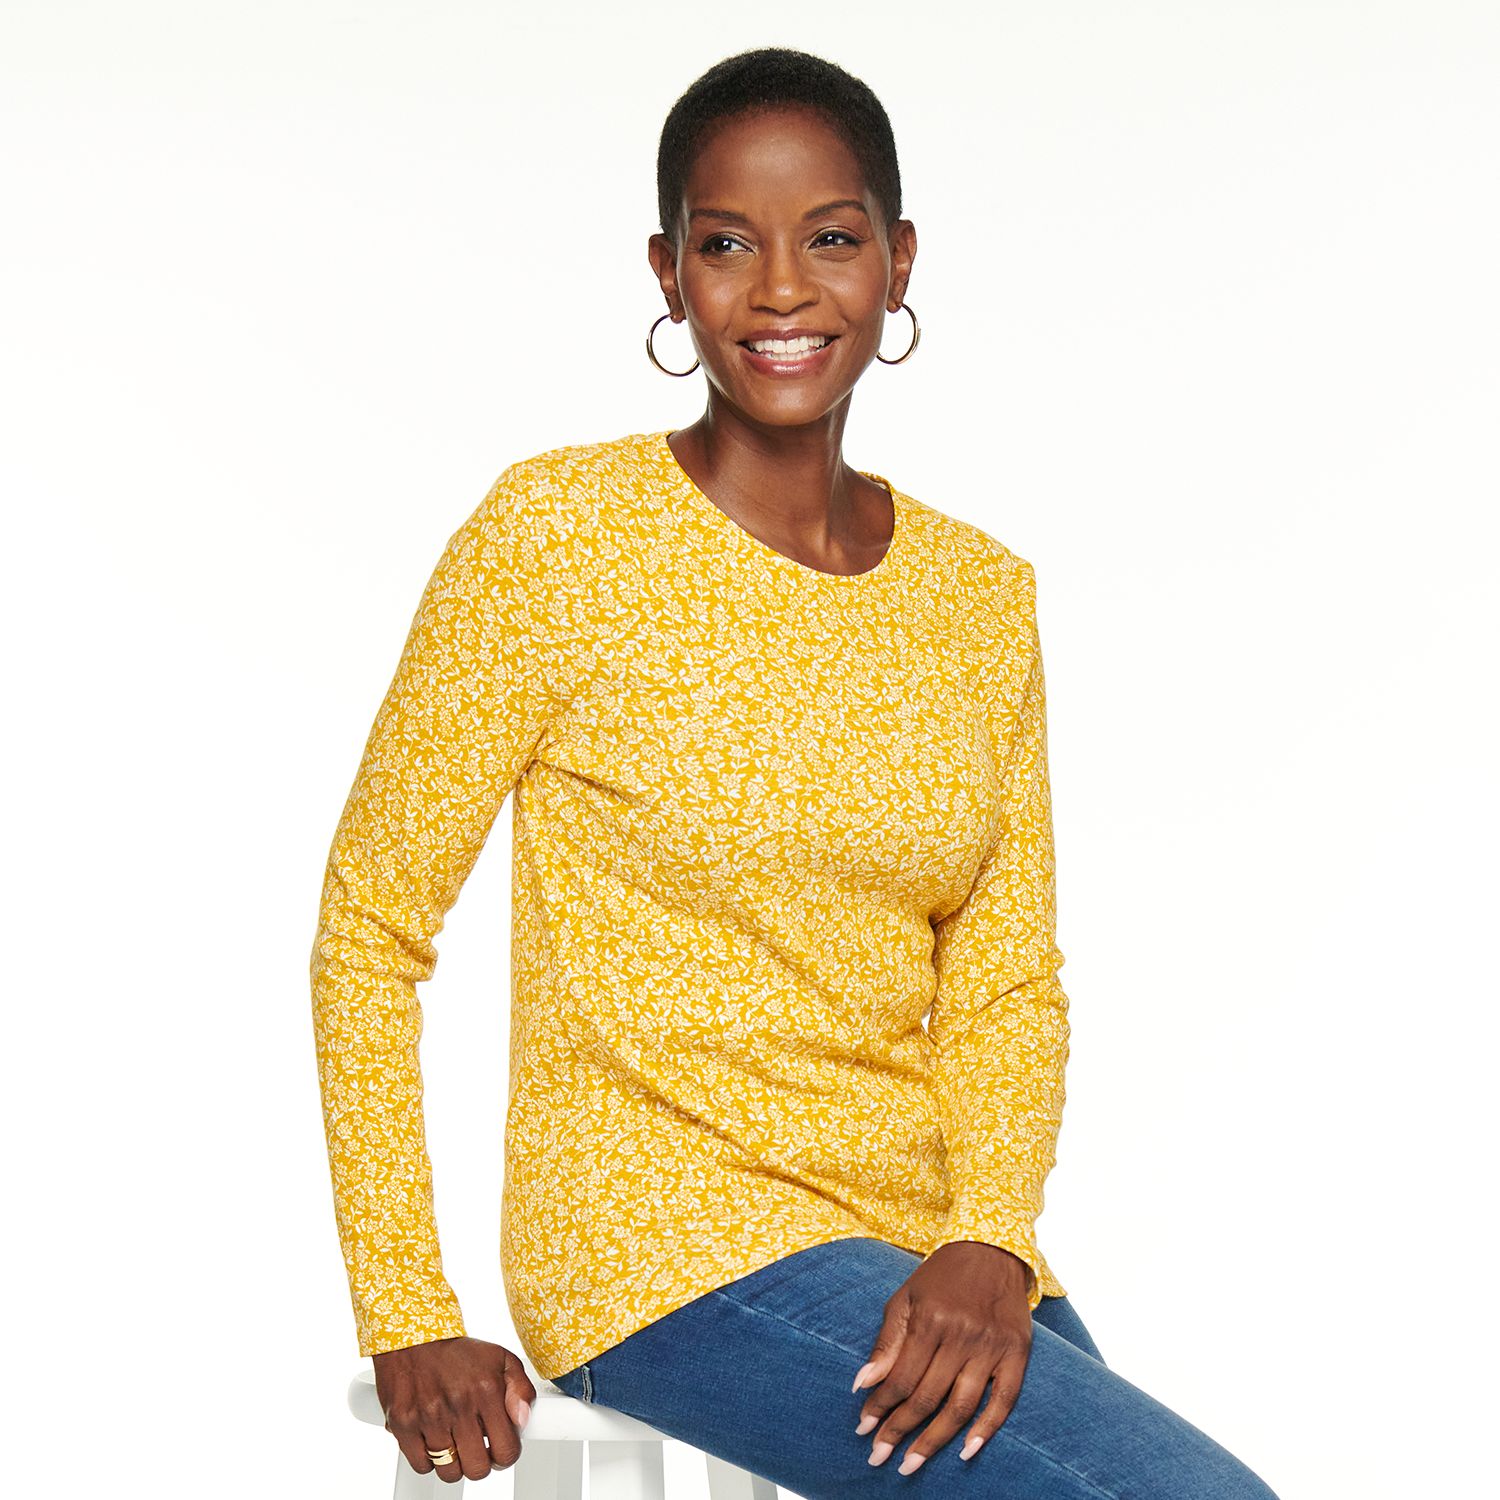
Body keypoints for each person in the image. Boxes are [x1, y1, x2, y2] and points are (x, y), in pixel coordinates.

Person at [309, 44, 1281, 1497]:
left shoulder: (976, 597)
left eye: (829, 238)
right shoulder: (555, 541)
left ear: (897, 262)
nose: (779, 290)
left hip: (929, 1251)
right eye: (725, 245)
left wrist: (992, 1238)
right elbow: (369, 926)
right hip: (661, 1253)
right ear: (667, 272)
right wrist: (406, 1308)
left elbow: (1004, 981)